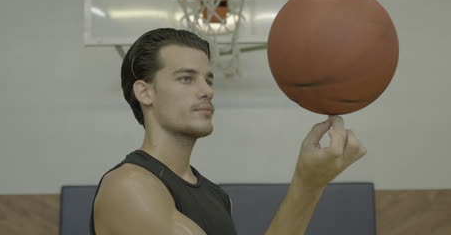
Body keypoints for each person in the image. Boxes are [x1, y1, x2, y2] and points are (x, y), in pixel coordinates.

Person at [90, 28, 367, 235]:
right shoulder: (130, 187)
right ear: (145, 92)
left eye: (208, 80)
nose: (207, 90)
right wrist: (308, 184)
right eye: (186, 78)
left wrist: (311, 183)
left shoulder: (216, 196)